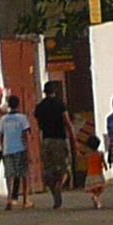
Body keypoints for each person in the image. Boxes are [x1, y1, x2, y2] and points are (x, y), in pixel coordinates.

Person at [35, 81, 75, 209]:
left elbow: (38, 125)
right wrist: (73, 138)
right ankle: (60, 185)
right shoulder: (60, 104)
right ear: (55, 91)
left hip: (46, 140)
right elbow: (67, 122)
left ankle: (55, 197)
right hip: (60, 139)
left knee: (49, 169)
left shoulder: (40, 106)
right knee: (65, 167)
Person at [0, 98, 31, 215]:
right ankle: (25, 200)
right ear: (18, 104)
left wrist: (3, 147)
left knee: (9, 175)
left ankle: (9, 199)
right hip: (20, 148)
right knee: (23, 174)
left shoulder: (3, 119)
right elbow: (25, 134)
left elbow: (1, 135)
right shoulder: (22, 118)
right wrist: (28, 149)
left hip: (7, 149)